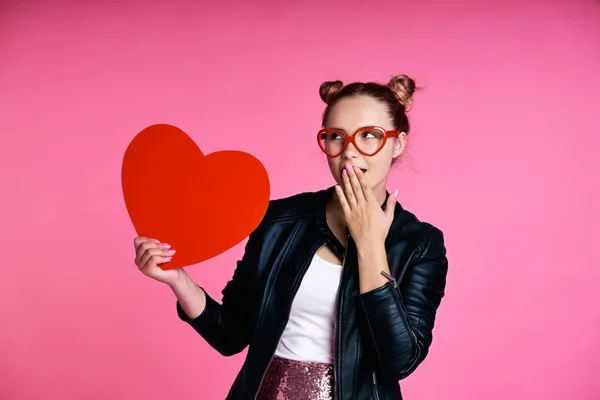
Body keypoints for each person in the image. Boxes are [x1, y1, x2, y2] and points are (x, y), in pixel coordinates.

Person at [133, 75, 449, 400]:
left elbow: (399, 361)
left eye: (369, 136)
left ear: (398, 143)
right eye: (336, 137)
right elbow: (230, 335)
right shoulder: (279, 221)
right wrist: (177, 279)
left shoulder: (420, 245)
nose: (350, 152)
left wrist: (370, 245)